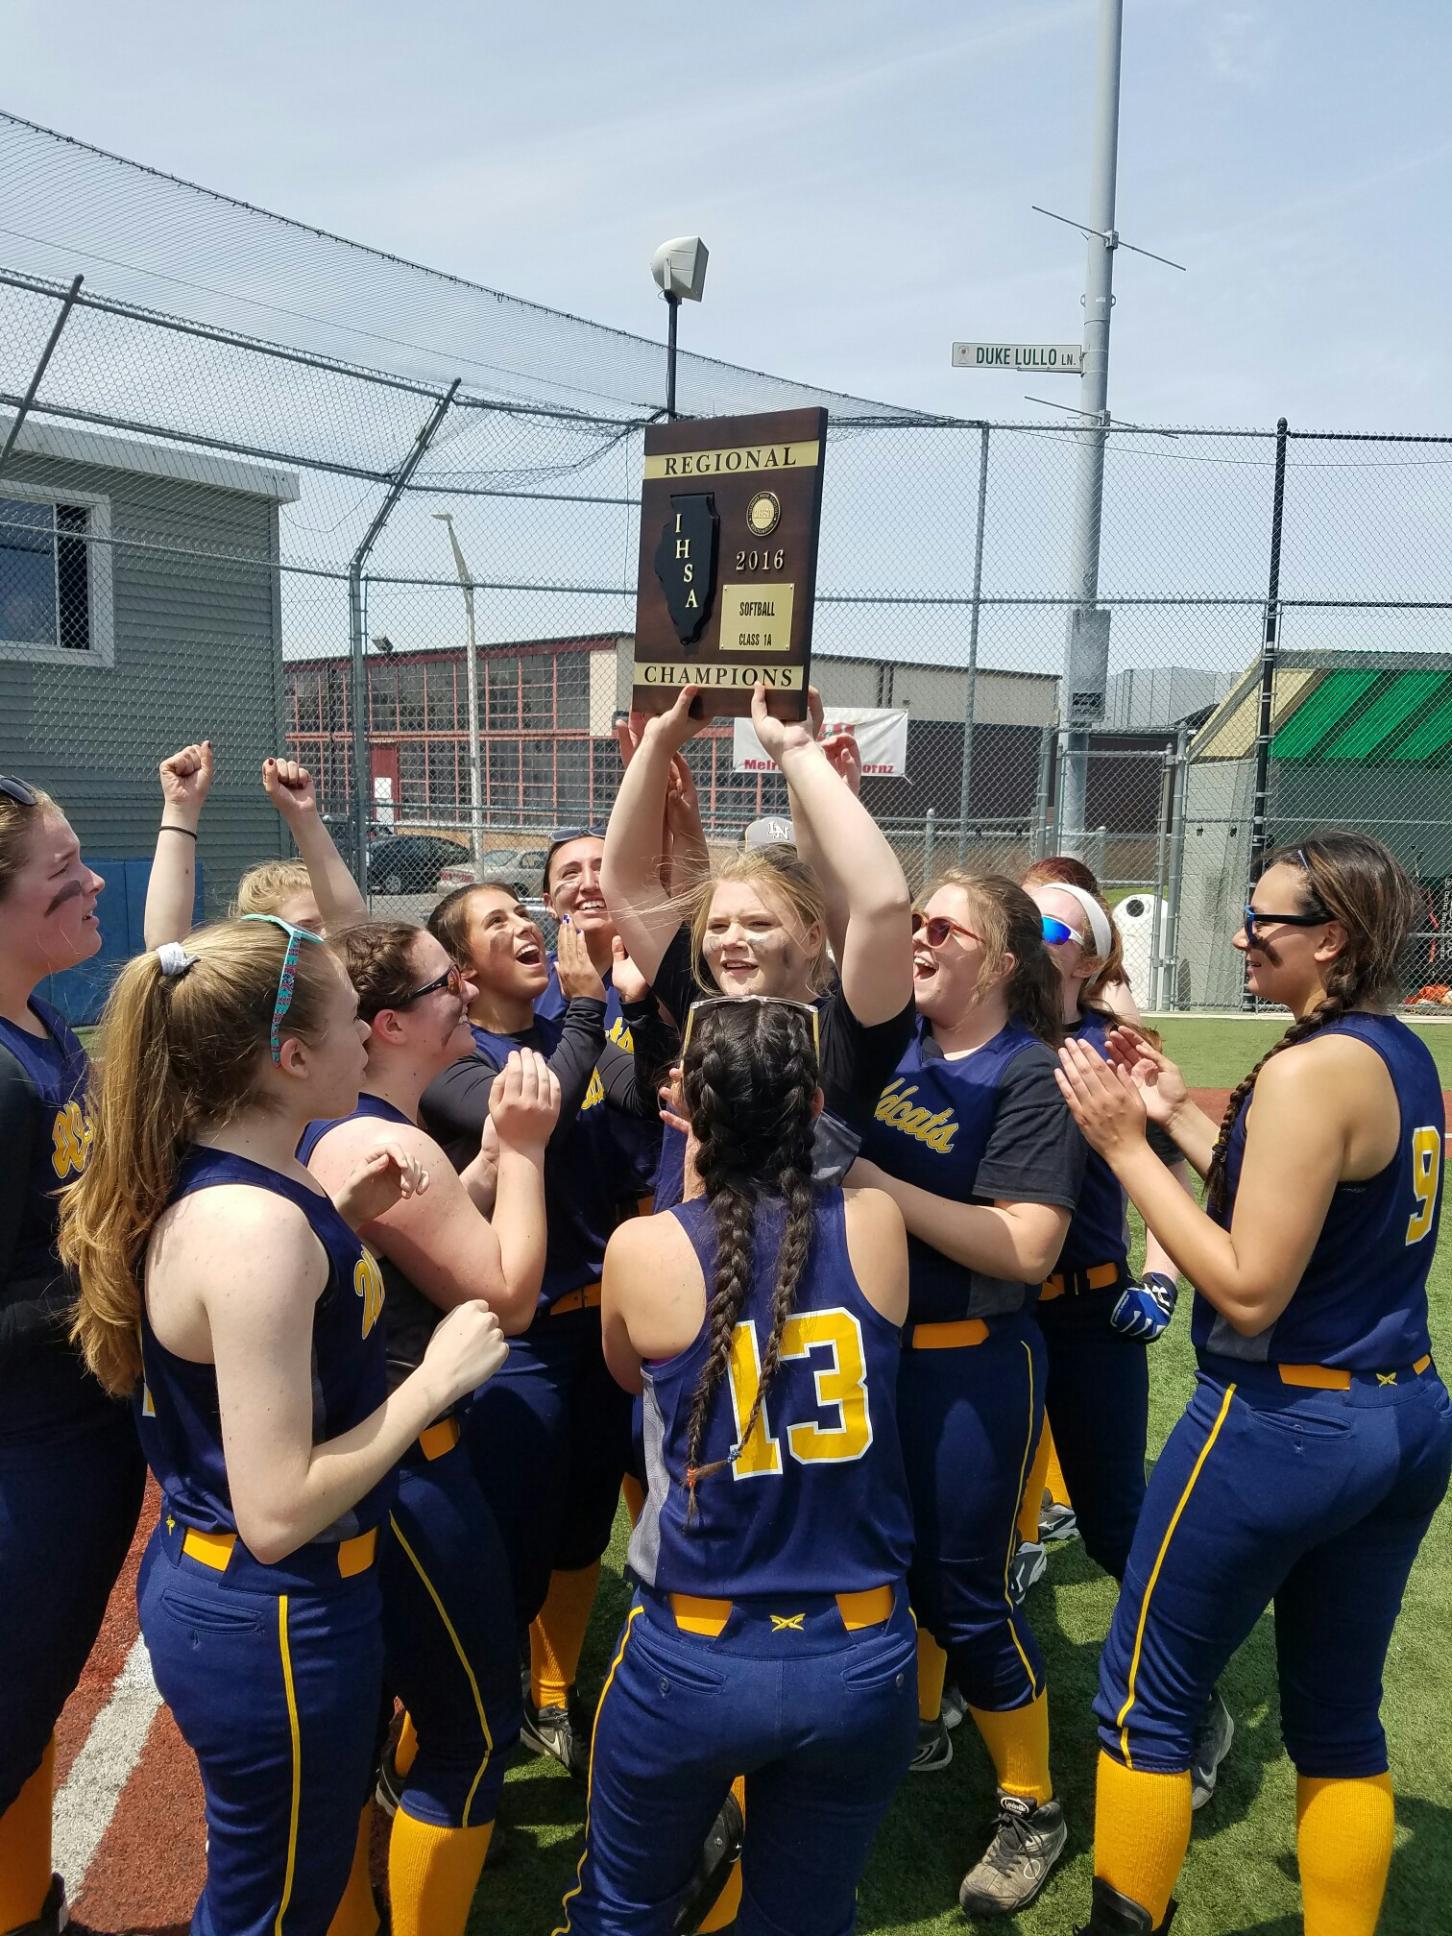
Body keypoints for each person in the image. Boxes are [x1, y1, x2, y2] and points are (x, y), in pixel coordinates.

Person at [59, 915, 508, 1936]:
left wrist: (338, 1219)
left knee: (274, 1891)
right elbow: (275, 1509)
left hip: (262, 1603)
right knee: (272, 1912)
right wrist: (431, 1382)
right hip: (271, 1607)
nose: (369, 1039)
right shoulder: (255, 1229)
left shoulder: (262, 1184)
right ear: (292, 1055)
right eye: (354, 1022)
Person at [1055, 833, 1452, 1936]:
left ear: (1332, 938)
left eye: (1265, 920)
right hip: (1404, 1414)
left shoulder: (1310, 1065)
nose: (1242, 933)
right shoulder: (1394, 1048)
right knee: (1337, 1721)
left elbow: (1247, 1285)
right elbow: (1294, 1183)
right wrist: (1182, 1113)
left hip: (1286, 1419)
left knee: (1146, 1700)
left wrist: (1126, 1145)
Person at [556, 996, 917, 1935]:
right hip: (863, 1651)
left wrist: (696, 1157)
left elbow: (627, 1367)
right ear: (815, 1107)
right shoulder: (877, 1221)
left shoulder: (644, 1248)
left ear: (691, 1106)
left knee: (624, 1909)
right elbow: (786, 1233)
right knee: (804, 1918)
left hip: (699, 1649)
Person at [301, 922, 559, 1936]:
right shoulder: (388, 1139)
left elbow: (430, 1231)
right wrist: (529, 1153)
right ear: (393, 1024)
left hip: (382, 1465)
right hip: (409, 1467)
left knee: (380, 1716)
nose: (465, 987)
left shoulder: (358, 1123)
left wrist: (487, 1166)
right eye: (441, 980)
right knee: (474, 1735)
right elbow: (508, 1292)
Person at [848, 871, 1084, 1917]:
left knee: (967, 1591)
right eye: (916, 919)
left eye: (946, 924)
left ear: (1002, 961)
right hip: (882, 1356)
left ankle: (1033, 1802)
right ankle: (925, 1724)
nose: (921, 934)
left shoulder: (1028, 1072)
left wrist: (873, 1183)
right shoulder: (889, 1043)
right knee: (890, 1567)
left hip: (973, 1356)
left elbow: (1030, 1246)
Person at [421, 883, 651, 1774]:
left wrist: (640, 1004)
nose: (522, 927)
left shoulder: (573, 1032)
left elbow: (637, 1089)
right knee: (505, 1548)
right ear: (462, 972)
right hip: (519, 1342)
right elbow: (532, 1116)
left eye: (523, 913)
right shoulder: (454, 1055)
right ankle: (434, 1739)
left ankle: (548, 1697)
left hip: (601, 1330)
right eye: (495, 924)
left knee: (582, 1528)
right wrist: (589, 1004)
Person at [0, 776, 146, 1936]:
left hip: (75, 1435)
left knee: (33, 1699)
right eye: (64, 874)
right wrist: (112, 1287)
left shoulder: (43, 1023)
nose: (94, 882)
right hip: (22, 1456)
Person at [600, 683, 914, 1209]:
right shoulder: (706, 999)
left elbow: (879, 904)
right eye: (718, 926)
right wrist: (657, 743)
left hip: (805, 1276)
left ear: (813, 937)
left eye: (758, 923)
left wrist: (796, 753)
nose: (730, 942)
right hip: (688, 1266)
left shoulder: (848, 1033)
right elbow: (627, 886)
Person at [143, 743, 366, 947]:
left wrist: (304, 816)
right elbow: (166, 952)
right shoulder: (244, 989)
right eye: (306, 928)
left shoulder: (342, 980)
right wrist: (180, 810)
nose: (327, 937)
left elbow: (355, 936)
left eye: (326, 925)